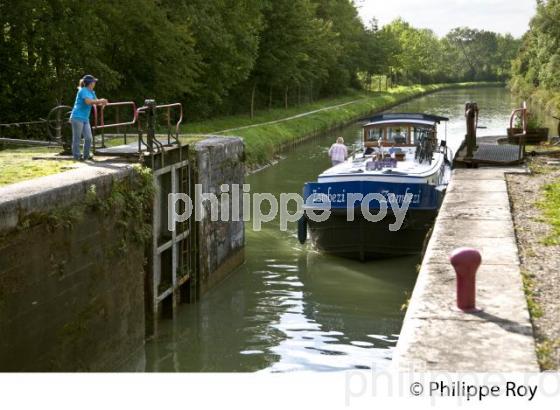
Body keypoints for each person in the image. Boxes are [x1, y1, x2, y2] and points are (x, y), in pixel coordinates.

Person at [70, 75, 108, 160]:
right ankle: (77, 156)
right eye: (94, 82)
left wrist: (103, 103)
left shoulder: (92, 92)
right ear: (90, 83)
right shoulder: (83, 90)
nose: (95, 83)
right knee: (77, 138)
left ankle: (86, 156)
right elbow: (88, 102)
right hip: (77, 117)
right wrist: (100, 101)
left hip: (85, 118)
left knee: (88, 138)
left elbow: (97, 103)